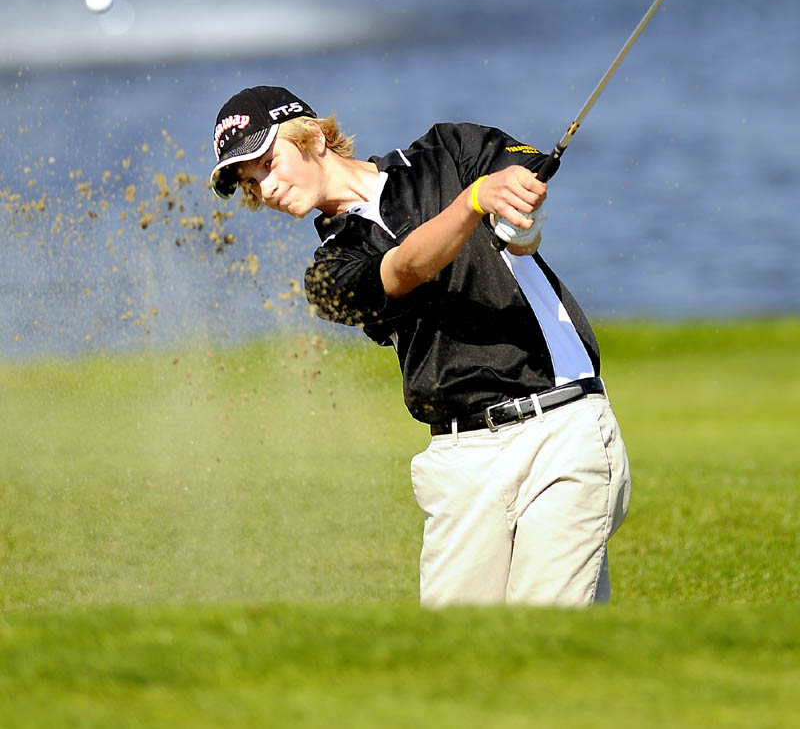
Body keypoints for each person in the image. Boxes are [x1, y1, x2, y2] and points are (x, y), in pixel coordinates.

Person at [210, 84, 631, 608]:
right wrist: (475, 201)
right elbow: (406, 266)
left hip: (562, 426)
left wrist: (521, 219)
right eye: (252, 183)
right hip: (461, 461)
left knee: (546, 636)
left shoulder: (448, 149)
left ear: (313, 138)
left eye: (268, 164)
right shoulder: (328, 274)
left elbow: (518, 186)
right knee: (455, 659)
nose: (265, 189)